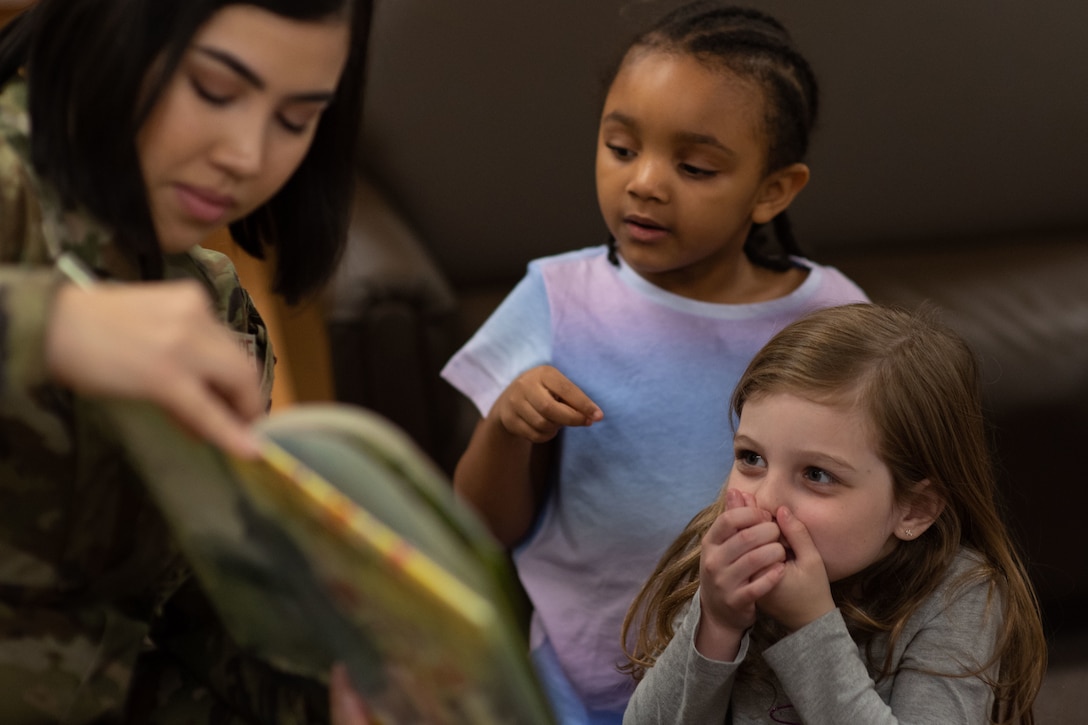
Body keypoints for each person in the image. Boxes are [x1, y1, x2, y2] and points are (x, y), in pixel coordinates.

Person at [440, 3, 867, 722]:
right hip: (582, 685)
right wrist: (509, 425)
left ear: (773, 190)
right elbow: (482, 524)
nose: (644, 182)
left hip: (768, 688)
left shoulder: (832, 316)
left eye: (694, 166)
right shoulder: (556, 295)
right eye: (620, 147)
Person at [0, 0, 371, 721]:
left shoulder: (211, 308)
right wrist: (53, 327)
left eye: (295, 120)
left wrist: (329, 691)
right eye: (215, 91)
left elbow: (168, 627)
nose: (248, 155)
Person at [621, 303, 1047, 724]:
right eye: (751, 457)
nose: (766, 500)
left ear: (914, 509)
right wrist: (716, 623)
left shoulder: (957, 597)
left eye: (817, 474)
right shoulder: (727, 559)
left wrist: (810, 628)